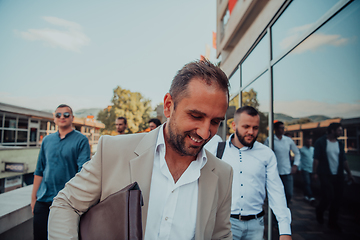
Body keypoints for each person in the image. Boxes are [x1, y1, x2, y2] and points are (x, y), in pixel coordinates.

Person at [48, 60, 234, 239]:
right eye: (195, 116)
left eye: (215, 121)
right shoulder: (113, 151)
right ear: (169, 106)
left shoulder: (223, 175)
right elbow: (66, 204)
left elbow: (221, 236)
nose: (204, 132)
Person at [209, 106, 292, 240]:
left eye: (255, 128)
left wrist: (285, 230)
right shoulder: (217, 151)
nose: (251, 132)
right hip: (226, 223)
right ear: (234, 125)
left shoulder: (266, 154)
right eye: (246, 126)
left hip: (256, 225)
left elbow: (276, 191)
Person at [31, 104, 90, 240]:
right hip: (43, 199)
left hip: (66, 201)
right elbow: (40, 170)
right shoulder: (47, 140)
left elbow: (82, 172)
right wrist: (33, 198)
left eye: (66, 114)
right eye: (58, 115)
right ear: (54, 118)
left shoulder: (81, 140)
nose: (62, 117)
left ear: (72, 118)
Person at [313, 122, 354, 231]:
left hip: (338, 175)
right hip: (325, 174)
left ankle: (332, 222)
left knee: (337, 198)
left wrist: (349, 173)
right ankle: (320, 211)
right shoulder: (321, 142)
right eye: (339, 130)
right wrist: (315, 173)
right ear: (332, 131)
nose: (341, 132)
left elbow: (344, 160)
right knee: (328, 196)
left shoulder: (340, 143)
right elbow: (316, 159)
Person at [264, 121, 300, 205]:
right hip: (275, 172)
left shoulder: (288, 140)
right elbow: (264, 155)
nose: (283, 130)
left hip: (287, 171)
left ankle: (284, 209)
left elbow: (297, 153)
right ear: (275, 129)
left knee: (289, 193)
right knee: (275, 195)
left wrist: (295, 165)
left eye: (284, 128)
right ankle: (275, 214)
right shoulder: (270, 140)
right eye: (281, 128)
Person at [299, 137, 315, 202]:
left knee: (310, 183)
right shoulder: (302, 150)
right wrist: (299, 168)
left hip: (312, 168)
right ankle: (310, 196)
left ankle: (306, 195)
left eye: (310, 142)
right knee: (307, 182)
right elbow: (300, 159)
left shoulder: (313, 149)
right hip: (305, 168)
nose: (309, 143)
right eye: (308, 141)